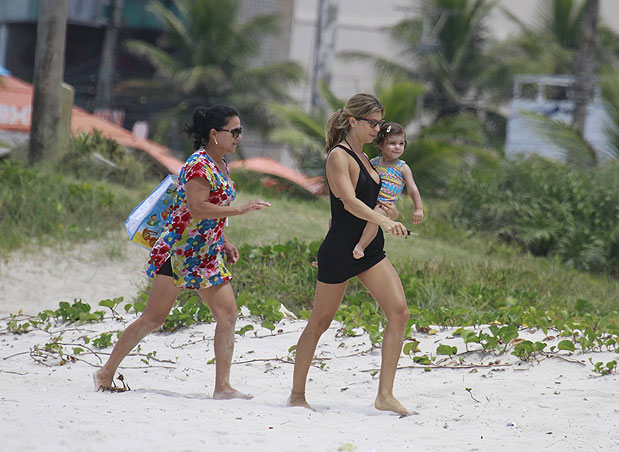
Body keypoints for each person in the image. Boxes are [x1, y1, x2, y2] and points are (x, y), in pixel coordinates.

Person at [93, 105, 271, 399]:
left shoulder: (221, 164)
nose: (239, 137)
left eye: (240, 131)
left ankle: (223, 387)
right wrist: (240, 209)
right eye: (234, 131)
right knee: (154, 318)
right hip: (179, 253)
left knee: (228, 314)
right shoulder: (198, 164)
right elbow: (197, 208)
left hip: (206, 252)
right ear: (215, 134)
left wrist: (223, 240)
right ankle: (106, 371)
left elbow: (207, 212)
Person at [288, 93, 413, 416]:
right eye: (372, 123)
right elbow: (347, 201)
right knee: (320, 322)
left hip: (370, 249)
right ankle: (297, 394)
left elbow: (377, 201)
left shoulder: (370, 160)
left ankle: (385, 394)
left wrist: (391, 212)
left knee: (399, 312)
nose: (378, 130)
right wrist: (383, 220)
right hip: (341, 249)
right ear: (353, 121)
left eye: (380, 124)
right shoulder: (338, 156)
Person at [353, 122, 423, 260]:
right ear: (380, 145)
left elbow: (412, 188)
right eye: (392, 143)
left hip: (385, 205)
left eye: (401, 144)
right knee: (340, 218)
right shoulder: (374, 162)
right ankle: (331, 250)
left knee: (376, 216)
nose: (397, 147)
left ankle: (361, 246)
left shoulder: (402, 167)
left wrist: (418, 208)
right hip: (369, 200)